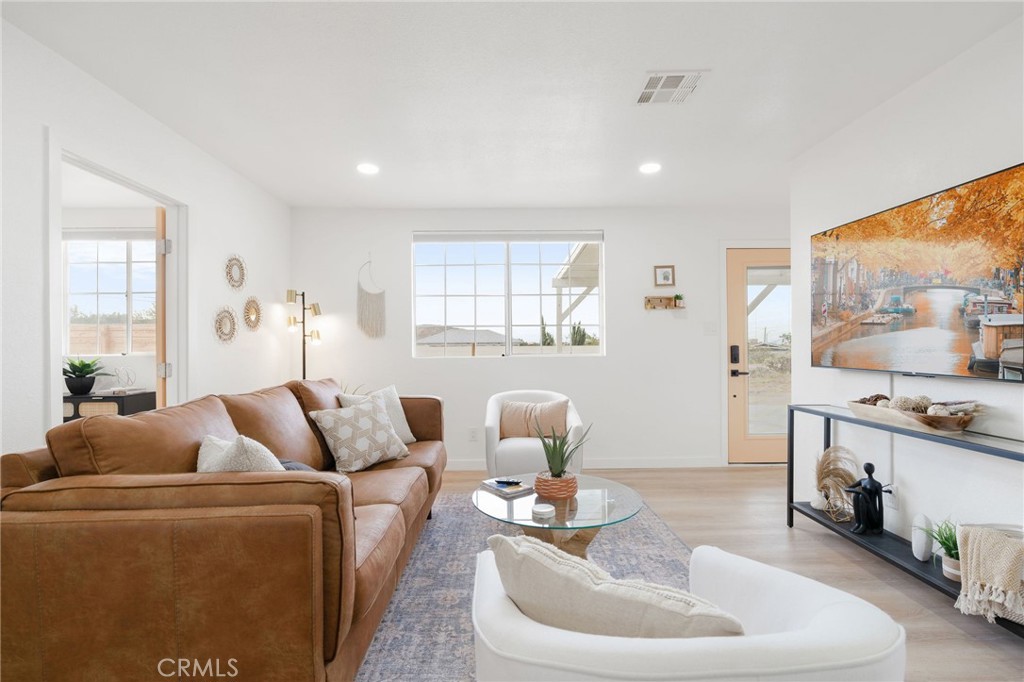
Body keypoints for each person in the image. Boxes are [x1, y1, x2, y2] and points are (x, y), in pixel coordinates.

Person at [845, 462, 884, 534]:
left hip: (873, 514)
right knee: (857, 495)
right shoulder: (862, 481)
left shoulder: (877, 484)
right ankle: (858, 523)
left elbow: (880, 505)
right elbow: (847, 488)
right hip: (863, 506)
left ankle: (863, 525)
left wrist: (880, 527)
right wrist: (860, 492)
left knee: (861, 497)